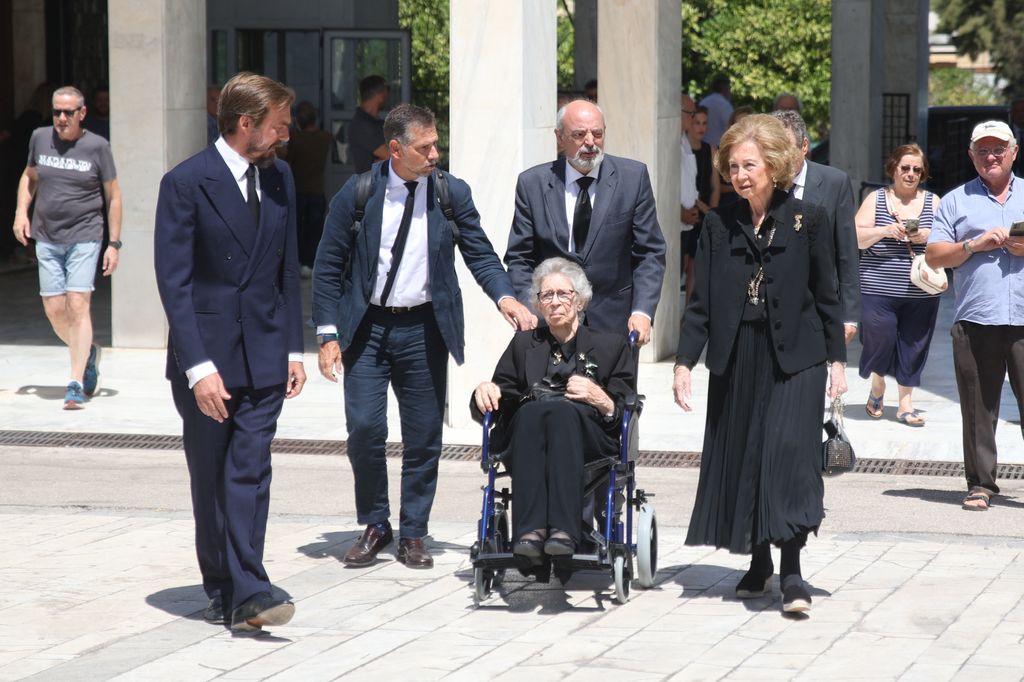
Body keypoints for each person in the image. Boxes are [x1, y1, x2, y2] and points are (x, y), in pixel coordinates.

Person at [313, 104, 536, 570]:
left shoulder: (450, 193)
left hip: (423, 329)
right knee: (366, 429)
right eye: (424, 147)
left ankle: (414, 530)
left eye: (437, 144)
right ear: (396, 149)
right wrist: (328, 333)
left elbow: (480, 252)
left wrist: (505, 298)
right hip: (368, 329)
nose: (435, 153)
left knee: (423, 436)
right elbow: (329, 267)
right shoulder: (358, 194)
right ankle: (376, 523)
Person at [673, 114, 847, 614]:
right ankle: (757, 561)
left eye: (750, 165)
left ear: (774, 165)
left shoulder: (807, 219)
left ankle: (792, 572)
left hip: (797, 357)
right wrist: (685, 362)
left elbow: (827, 296)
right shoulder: (716, 223)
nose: (741, 175)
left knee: (788, 457)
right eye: (733, 166)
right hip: (738, 354)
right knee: (746, 453)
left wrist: (837, 361)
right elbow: (700, 301)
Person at [154, 72, 306, 631]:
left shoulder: (281, 177)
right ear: (247, 124)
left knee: (251, 470)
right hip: (207, 360)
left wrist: (294, 346)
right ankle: (222, 584)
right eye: (278, 126)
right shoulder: (186, 182)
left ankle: (250, 588)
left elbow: (287, 268)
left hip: (266, 352)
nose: (285, 136)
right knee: (211, 476)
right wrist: (198, 369)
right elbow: (175, 284)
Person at [471, 258, 635, 559]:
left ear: (581, 300)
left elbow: (624, 407)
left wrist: (599, 396)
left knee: (561, 412)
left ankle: (563, 530)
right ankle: (530, 532)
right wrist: (484, 391)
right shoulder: (523, 345)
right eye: (546, 295)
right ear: (538, 304)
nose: (555, 302)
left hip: (588, 438)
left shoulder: (611, 345)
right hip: (529, 433)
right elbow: (499, 396)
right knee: (534, 411)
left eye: (564, 294)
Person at [505, 99, 666, 344]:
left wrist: (642, 311)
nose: (590, 142)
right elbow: (520, 257)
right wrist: (533, 311)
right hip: (550, 325)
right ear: (560, 138)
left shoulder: (633, 179)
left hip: (616, 324)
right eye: (579, 134)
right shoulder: (533, 184)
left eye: (597, 134)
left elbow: (650, 252)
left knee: (609, 386)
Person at [926, 120, 1024, 512]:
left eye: (998, 148)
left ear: (1014, 151)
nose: (991, 156)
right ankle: (980, 484)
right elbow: (934, 255)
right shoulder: (954, 201)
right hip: (975, 320)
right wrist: (974, 244)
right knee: (978, 406)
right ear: (971, 156)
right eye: (982, 150)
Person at [12, 85, 122, 410]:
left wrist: (113, 243)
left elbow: (113, 196)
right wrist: (21, 213)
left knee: (77, 303)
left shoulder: (97, 147)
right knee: (54, 310)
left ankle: (74, 382)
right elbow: (29, 177)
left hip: (85, 236)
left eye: (68, 112)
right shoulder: (39, 137)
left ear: (82, 113)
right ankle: (87, 353)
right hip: (47, 237)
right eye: (57, 111)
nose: (61, 118)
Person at [855, 143, 941, 427]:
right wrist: (885, 230)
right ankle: (878, 384)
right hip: (877, 288)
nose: (911, 173)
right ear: (893, 169)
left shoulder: (933, 202)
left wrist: (923, 235)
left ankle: (906, 404)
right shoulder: (876, 199)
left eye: (917, 169)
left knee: (914, 345)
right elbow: (856, 237)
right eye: (905, 168)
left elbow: (945, 238)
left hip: (922, 289)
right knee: (880, 339)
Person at [772, 109, 860, 344]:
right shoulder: (761, 183)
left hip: (818, 304)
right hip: (772, 303)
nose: (780, 155)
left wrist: (850, 315)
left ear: (804, 146)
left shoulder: (834, 183)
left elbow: (847, 252)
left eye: (786, 146)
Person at [284, 101, 331, 276]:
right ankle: (310, 264)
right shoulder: (325, 137)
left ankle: (297, 262)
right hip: (317, 191)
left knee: (297, 230)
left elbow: (287, 157)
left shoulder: (295, 138)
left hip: (298, 191)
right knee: (314, 231)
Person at [683, 103, 720, 306]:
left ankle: (689, 308)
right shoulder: (682, 148)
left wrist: (712, 212)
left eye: (704, 123)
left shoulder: (710, 150)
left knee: (697, 265)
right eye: (697, 122)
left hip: (705, 213)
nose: (701, 127)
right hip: (689, 209)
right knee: (686, 262)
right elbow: (685, 186)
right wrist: (702, 207)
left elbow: (714, 185)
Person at [680, 94, 701, 302]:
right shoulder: (670, 140)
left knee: (684, 272)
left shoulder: (684, 140)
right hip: (675, 223)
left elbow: (689, 181)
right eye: (691, 114)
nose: (693, 118)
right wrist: (680, 212)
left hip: (688, 222)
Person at [347, 74, 389, 173]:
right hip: (371, 186)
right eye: (386, 91)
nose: (387, 96)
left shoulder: (374, 123)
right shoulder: (361, 126)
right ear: (380, 95)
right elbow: (392, 156)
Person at [717, 105, 754, 208]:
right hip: (729, 204)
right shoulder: (722, 152)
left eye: (745, 124)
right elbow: (715, 186)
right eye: (737, 124)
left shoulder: (762, 152)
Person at [699, 74, 733, 147]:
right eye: (729, 87)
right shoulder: (724, 105)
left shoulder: (704, 102)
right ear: (725, 87)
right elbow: (732, 127)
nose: (730, 90)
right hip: (719, 148)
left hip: (703, 145)